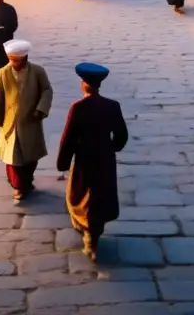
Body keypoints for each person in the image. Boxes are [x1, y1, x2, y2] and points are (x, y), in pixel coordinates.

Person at [57, 63, 129, 262]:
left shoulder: (78, 108)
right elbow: (122, 135)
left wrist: (63, 162)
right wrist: (112, 148)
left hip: (84, 158)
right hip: (105, 158)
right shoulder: (112, 106)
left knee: (81, 194)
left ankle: (88, 236)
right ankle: (93, 234)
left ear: (83, 84)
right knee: (100, 195)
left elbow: (68, 138)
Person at [0, 39, 53, 202]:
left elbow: (47, 90)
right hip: (9, 123)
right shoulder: (3, 72)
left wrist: (41, 109)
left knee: (30, 156)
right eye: (11, 60)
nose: (13, 63)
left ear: (24, 59)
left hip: (30, 120)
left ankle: (27, 181)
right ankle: (18, 187)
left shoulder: (37, 71)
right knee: (12, 158)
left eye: (16, 61)